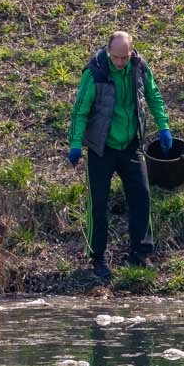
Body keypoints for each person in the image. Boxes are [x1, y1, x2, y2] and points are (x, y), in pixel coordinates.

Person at [67, 31, 171, 282]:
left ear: (132, 51)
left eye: (125, 57)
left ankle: (140, 253)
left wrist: (164, 126)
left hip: (131, 144)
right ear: (108, 51)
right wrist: (75, 144)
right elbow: (80, 110)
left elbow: (153, 96)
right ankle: (98, 258)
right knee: (98, 203)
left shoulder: (139, 67)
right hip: (101, 147)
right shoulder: (96, 72)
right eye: (116, 57)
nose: (121, 62)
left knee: (142, 197)